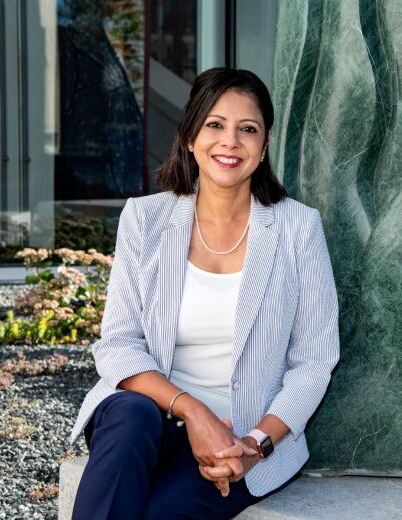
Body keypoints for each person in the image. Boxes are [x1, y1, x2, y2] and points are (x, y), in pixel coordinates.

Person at [69, 67, 340, 519]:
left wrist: (254, 445)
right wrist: (195, 413)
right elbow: (118, 344)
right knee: (132, 414)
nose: (230, 142)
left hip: (241, 441)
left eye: (247, 129)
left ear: (264, 143)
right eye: (215, 124)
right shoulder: (145, 219)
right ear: (191, 135)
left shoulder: (297, 228)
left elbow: (313, 362)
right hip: (148, 421)